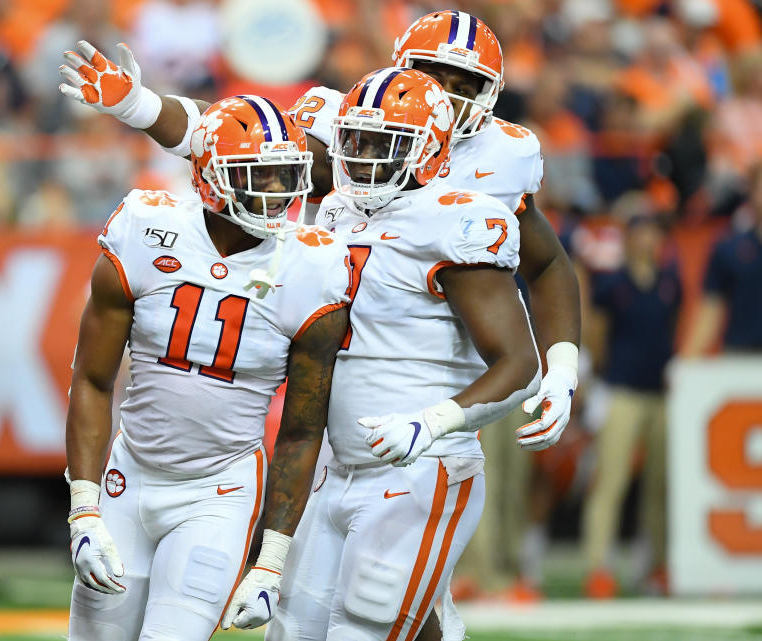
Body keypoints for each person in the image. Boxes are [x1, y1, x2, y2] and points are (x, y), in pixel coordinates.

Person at [58, 9, 581, 457]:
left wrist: (562, 367)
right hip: (334, 386)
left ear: (491, 95)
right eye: (433, 75)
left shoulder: (500, 161)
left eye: (465, 87)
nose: (444, 94)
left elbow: (548, 263)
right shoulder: (354, 125)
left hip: (421, 395)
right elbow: (233, 136)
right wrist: (140, 106)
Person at [214, 68, 539, 641]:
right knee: (290, 632)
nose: (361, 157)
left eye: (382, 144)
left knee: (367, 628)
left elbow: (518, 365)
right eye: (355, 140)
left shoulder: (460, 221)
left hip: (419, 468)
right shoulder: (339, 211)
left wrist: (432, 422)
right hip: (337, 468)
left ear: (428, 149)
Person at [65, 95, 351, 640]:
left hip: (220, 492)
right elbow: (93, 379)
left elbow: (301, 430)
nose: (277, 192)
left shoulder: (312, 265)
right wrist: (84, 507)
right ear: (212, 178)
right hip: (128, 475)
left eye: (284, 175)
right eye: (258, 176)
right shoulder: (147, 228)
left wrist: (270, 561)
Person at [582, 208, 682, 598]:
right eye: (643, 232)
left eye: (655, 232)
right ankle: (598, 567)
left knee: (661, 484)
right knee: (611, 480)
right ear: (629, 239)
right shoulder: (614, 284)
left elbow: (672, 330)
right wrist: (603, 376)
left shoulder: (670, 282)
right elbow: (598, 334)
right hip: (621, 390)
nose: (649, 240)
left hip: (659, 391)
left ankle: (658, 565)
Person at [682, 163, 762, 356]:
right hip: (742, 359)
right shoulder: (729, 249)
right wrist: (686, 362)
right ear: (751, 192)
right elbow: (710, 312)